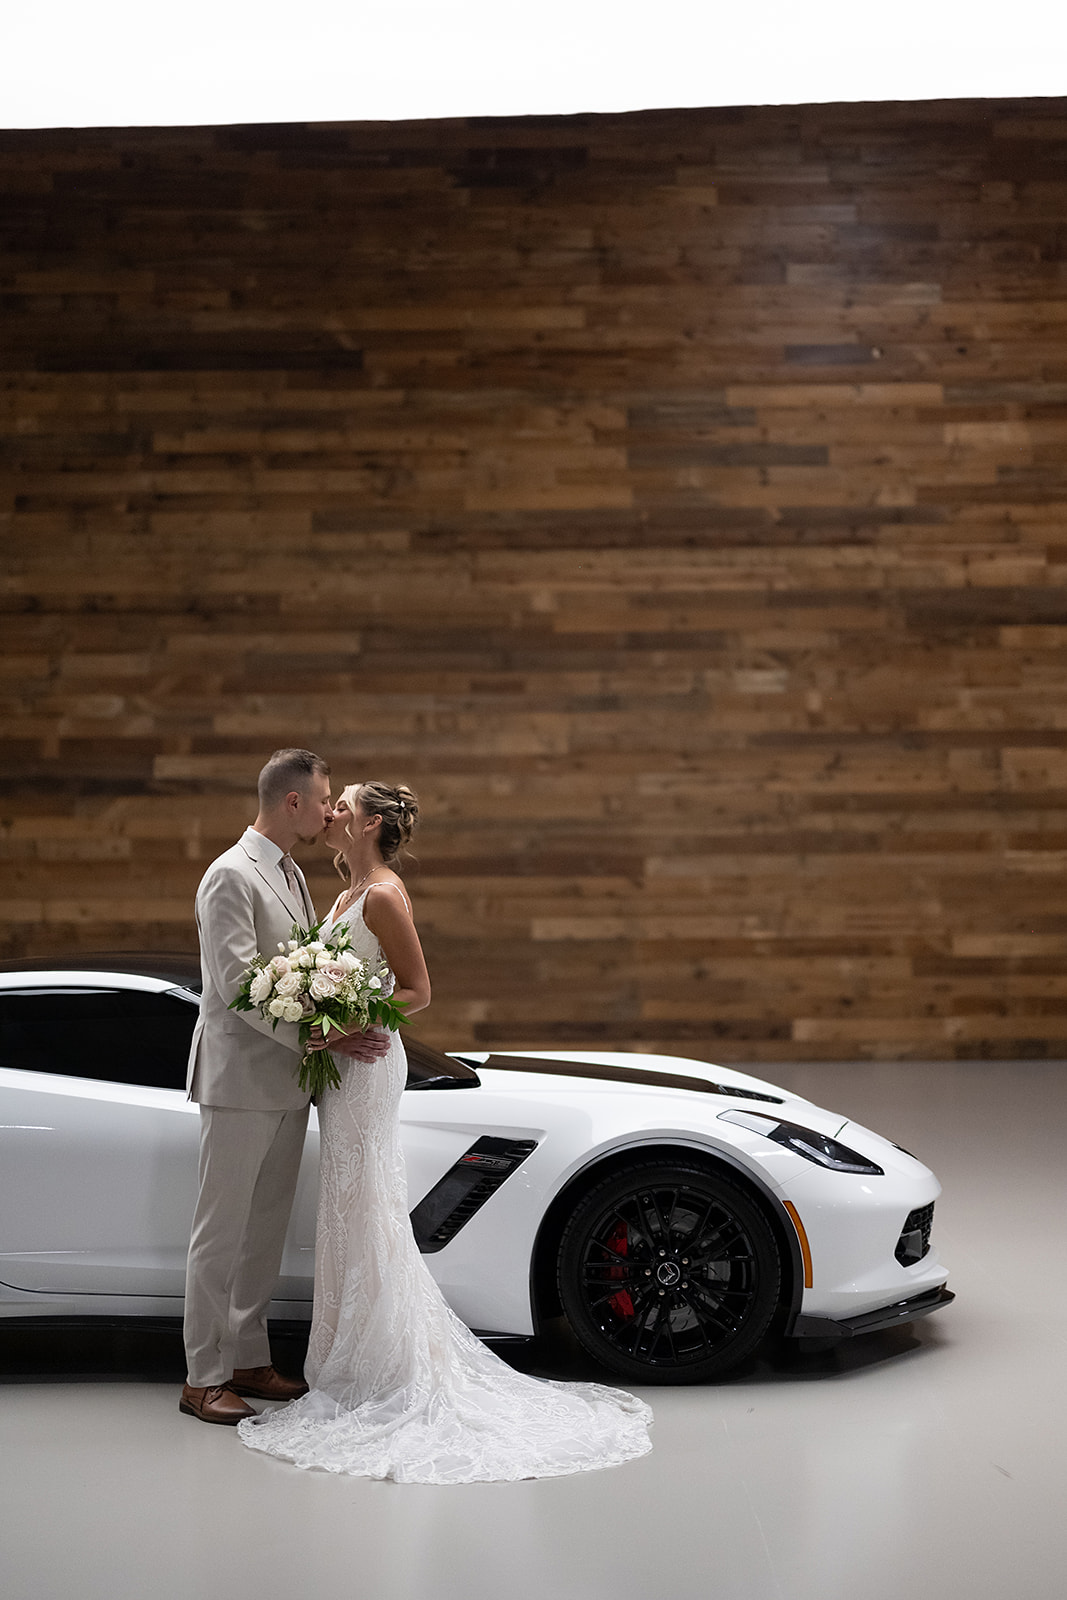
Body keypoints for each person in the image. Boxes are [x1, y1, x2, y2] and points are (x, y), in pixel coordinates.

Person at [237, 780, 653, 1481]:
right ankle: (349, 1360)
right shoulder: (340, 897)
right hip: (340, 1069)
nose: (331, 810)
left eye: (342, 802)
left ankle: (386, 1366)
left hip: (367, 1066)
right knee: (346, 1208)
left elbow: (415, 991)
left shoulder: (384, 896)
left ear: (368, 822)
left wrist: (343, 1022)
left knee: (366, 1201)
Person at [181, 748, 388, 1425]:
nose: (331, 811)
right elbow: (239, 987)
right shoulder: (228, 876)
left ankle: (246, 1358)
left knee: (262, 1233)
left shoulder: (294, 873)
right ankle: (201, 1377)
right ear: (293, 801)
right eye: (325, 798)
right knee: (220, 1234)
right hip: (240, 1080)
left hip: (288, 1082)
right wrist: (320, 1038)